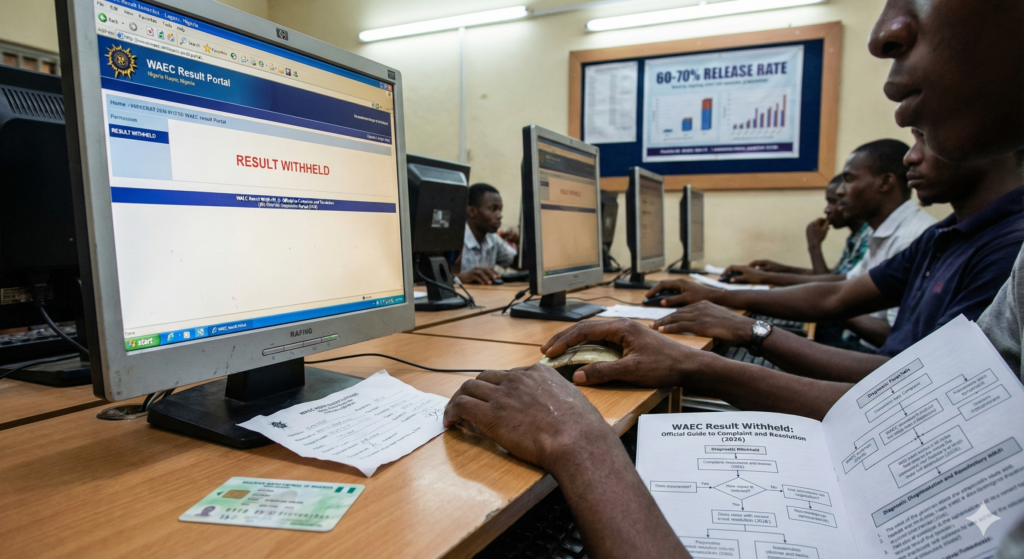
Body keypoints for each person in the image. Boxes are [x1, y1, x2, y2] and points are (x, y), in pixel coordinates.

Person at [443, 1, 1024, 557]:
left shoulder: (1004, 243)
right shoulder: (959, 240)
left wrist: (581, 441)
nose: (883, 33)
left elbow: (899, 386)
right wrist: (711, 349)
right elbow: (909, 402)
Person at [647, 133, 1024, 381]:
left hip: (892, 407)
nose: (910, 157)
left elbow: (917, 380)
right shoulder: (942, 233)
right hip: (878, 387)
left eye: (926, 138)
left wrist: (750, 331)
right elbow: (837, 294)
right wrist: (721, 298)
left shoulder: (1008, 247)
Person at [747, 174, 871, 281]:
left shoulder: (869, 237)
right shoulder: (856, 237)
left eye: (833, 202)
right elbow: (836, 276)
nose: (826, 210)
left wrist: (814, 246)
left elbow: (828, 288)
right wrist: (782, 269)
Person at [457, 183, 519, 285]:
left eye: (500, 209)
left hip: (485, 298)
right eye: (493, 209)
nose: (500, 215)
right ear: (472, 211)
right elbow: (427, 278)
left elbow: (517, 263)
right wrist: (459, 277)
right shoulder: (453, 238)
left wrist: (521, 243)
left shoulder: (492, 238)